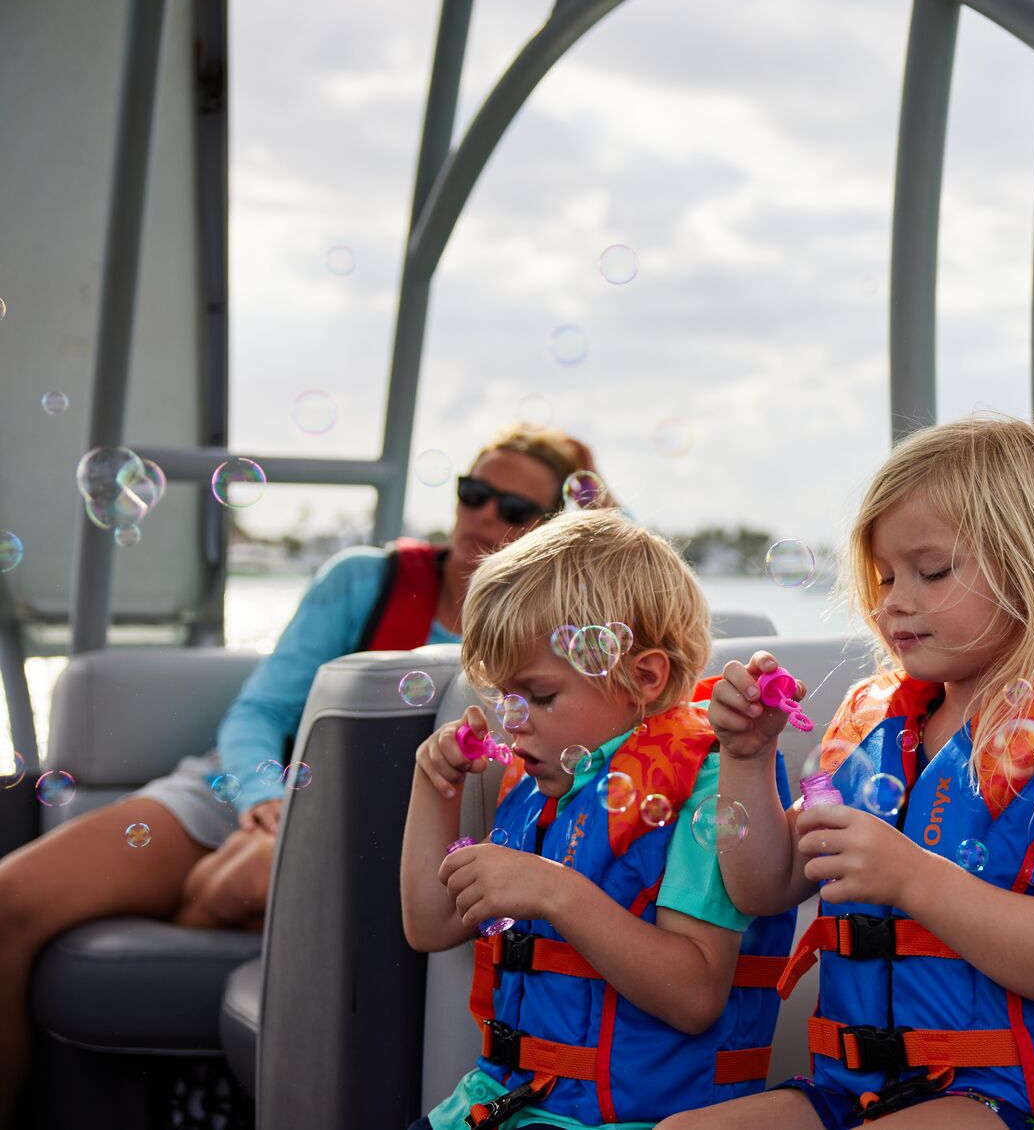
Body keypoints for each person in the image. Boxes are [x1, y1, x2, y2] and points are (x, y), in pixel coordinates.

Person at [0, 423, 597, 1123]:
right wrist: (264, 797)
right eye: (474, 493)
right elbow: (259, 711)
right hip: (240, 787)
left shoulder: (550, 631)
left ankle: (198, 890)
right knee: (10, 900)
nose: (486, 516)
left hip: (358, 827)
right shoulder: (366, 580)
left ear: (554, 529)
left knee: (241, 880)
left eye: (516, 510)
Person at [659, 413, 1034, 1130]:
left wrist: (912, 877)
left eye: (931, 572)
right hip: (863, 1093)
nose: (892, 602)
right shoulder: (873, 728)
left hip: (1026, 1105)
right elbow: (762, 886)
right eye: (882, 578)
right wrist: (747, 759)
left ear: (1031, 567)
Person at [402, 510, 797, 1130]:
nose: (513, 721)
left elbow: (695, 997)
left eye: (539, 695)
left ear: (642, 676)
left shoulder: (707, 787)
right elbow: (428, 924)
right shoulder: (542, 788)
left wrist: (555, 891)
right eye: (504, 697)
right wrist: (435, 786)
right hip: (496, 1106)